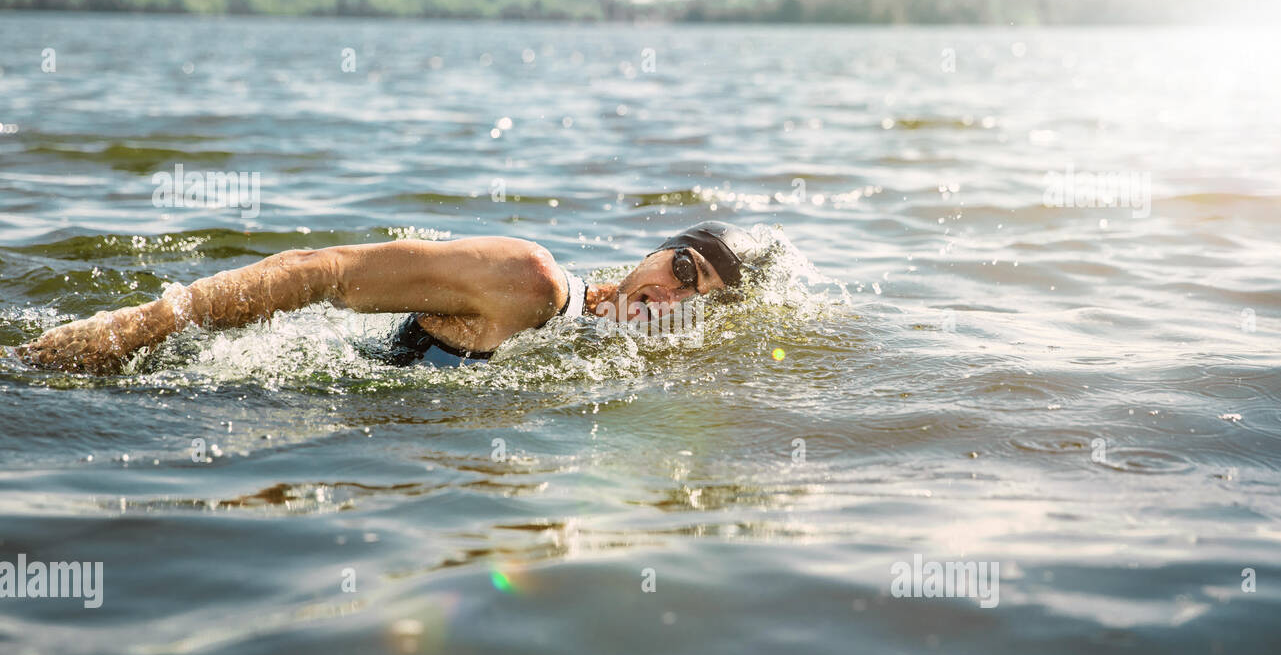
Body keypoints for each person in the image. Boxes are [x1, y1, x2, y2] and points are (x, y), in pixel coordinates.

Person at [17, 221, 763, 373]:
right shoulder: (530, 281)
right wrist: (129, 331)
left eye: (697, 300)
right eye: (685, 268)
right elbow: (325, 267)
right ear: (656, 251)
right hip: (239, 408)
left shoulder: (615, 356)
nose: (673, 297)